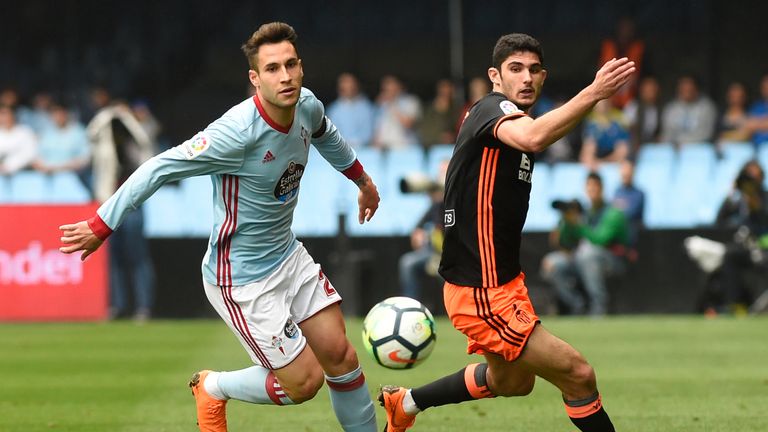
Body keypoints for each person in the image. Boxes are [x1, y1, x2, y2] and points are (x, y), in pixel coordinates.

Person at [59, 22, 380, 432]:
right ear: (255, 78)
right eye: (272, 69)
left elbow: (326, 135)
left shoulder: (307, 105)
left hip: (287, 254)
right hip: (241, 278)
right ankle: (214, 386)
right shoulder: (235, 133)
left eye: (291, 65)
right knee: (304, 383)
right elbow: (159, 167)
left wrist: (363, 181)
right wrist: (102, 223)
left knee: (342, 357)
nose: (284, 76)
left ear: (301, 67)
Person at [378, 33, 634, 432]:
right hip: (480, 289)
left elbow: (535, 134)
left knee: (512, 382)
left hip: (503, 282)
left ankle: (405, 403)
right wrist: (595, 93)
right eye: (516, 69)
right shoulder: (490, 109)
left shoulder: (517, 122)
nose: (526, 78)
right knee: (579, 375)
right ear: (495, 76)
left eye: (534, 70)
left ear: (544, 76)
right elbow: (533, 136)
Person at [87, 100, 156, 321]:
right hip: (109, 201)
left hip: (134, 202)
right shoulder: (104, 139)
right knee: (113, 257)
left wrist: (127, 118)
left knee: (137, 256)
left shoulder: (137, 137)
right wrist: (109, 113)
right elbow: (92, 131)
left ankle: (143, 307)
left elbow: (145, 142)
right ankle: (116, 306)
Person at [541, 172, 631, 316]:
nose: (592, 191)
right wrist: (565, 223)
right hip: (582, 258)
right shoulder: (586, 212)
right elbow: (567, 242)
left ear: (602, 188)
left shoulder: (613, 213)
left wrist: (578, 224)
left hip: (612, 261)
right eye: (589, 187)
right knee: (553, 262)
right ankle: (577, 305)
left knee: (588, 255)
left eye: (595, 187)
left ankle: (599, 307)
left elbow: (600, 240)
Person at [398, 160, 448, 303]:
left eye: (445, 173)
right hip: (434, 253)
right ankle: (411, 305)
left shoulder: (460, 198)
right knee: (407, 263)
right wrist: (418, 234)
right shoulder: (436, 203)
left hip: (454, 255)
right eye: (440, 173)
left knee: (445, 273)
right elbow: (417, 228)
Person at [598, 16, 647, 109]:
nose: (625, 32)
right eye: (623, 28)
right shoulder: (608, 45)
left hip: (630, 96)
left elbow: (639, 74)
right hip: (608, 94)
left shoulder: (638, 47)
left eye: (628, 29)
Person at [31, 102, 91, 176]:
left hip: (73, 177)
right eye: (55, 113)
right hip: (47, 176)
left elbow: (85, 159)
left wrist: (58, 168)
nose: (58, 116)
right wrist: (42, 166)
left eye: (61, 113)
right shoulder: (47, 132)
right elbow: (37, 156)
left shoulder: (79, 132)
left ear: (67, 114)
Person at [660, 74, 717, 146]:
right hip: (674, 149)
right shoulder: (671, 108)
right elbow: (667, 133)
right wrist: (674, 144)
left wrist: (683, 143)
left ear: (696, 89)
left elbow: (706, 133)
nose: (686, 91)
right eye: (683, 89)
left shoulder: (707, 107)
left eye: (689, 89)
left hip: (698, 149)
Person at [326, 72, 375, 149]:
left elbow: (369, 132)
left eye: (351, 85)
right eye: (344, 85)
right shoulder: (333, 110)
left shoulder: (367, 108)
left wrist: (356, 142)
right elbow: (330, 134)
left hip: (363, 151)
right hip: (339, 152)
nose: (348, 88)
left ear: (356, 86)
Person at [372, 75, 422, 150]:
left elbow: (408, 124)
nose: (388, 90)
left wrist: (392, 104)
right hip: (384, 150)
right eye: (386, 88)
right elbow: (377, 130)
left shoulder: (411, 101)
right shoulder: (382, 104)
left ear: (399, 86)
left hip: (406, 148)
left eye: (391, 86)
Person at [579, 99, 629, 169]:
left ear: (609, 106)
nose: (602, 108)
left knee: (625, 164)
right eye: (599, 106)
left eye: (605, 105)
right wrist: (593, 163)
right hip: (597, 161)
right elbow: (587, 152)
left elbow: (622, 150)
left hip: (614, 162)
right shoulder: (591, 126)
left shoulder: (618, 124)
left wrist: (603, 162)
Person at [623, 76, 662, 157]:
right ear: (641, 91)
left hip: (654, 146)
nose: (650, 93)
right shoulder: (633, 106)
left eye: (652, 90)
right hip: (634, 146)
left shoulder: (661, 108)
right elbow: (627, 128)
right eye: (647, 90)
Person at [612, 159, 645, 250]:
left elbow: (631, 212)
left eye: (628, 171)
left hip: (633, 232)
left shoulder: (639, 194)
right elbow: (613, 211)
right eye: (623, 171)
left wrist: (620, 207)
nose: (625, 174)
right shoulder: (617, 192)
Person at [417, 79, 460, 148]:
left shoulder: (456, 110)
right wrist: (439, 137)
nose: (446, 93)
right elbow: (423, 132)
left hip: (452, 148)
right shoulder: (428, 111)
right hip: (433, 149)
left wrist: (453, 137)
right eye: (443, 91)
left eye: (449, 91)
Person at [0, 104, 38, 175]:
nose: (3, 117)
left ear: (13, 115)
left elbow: (30, 155)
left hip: (23, 175)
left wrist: (10, 167)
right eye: (1, 114)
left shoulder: (25, 132)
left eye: (5, 114)